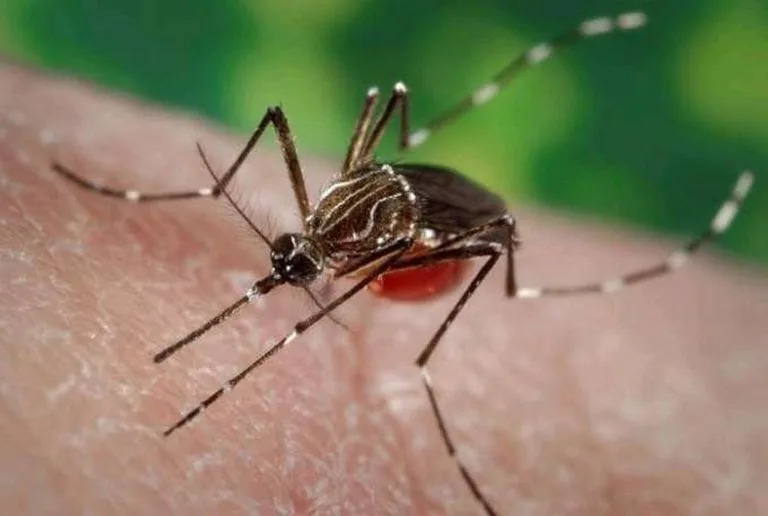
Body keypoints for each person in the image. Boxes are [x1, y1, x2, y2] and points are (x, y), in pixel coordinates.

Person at [1, 62, 766, 514]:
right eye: (289, 257)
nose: (283, 266)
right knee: (324, 111)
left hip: (430, 233)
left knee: (473, 222)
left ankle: (427, 365)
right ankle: (200, 201)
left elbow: (475, 237)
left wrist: (319, 311)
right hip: (387, 205)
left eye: (291, 264)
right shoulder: (316, 224)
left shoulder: (351, 240)